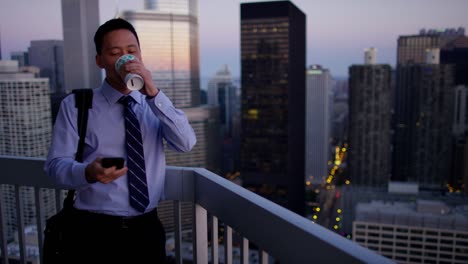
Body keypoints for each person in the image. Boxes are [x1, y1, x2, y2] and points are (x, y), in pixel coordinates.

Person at [44, 18, 196, 263]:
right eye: (115, 53)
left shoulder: (153, 104)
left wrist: (154, 93)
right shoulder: (76, 105)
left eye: (131, 51)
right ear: (100, 60)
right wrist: (88, 173)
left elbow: (186, 143)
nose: (125, 58)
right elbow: (54, 166)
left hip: (146, 228)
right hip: (91, 229)